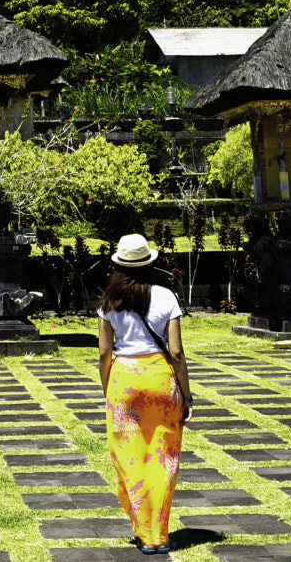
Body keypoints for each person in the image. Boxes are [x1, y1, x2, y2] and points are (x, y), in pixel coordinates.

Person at [97, 232, 192, 555]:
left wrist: (108, 388)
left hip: (124, 378)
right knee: (164, 458)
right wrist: (187, 395)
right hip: (160, 379)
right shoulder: (166, 297)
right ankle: (159, 535)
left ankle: (142, 529)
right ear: (150, 263)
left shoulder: (109, 301)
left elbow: (103, 354)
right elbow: (177, 353)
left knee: (129, 456)